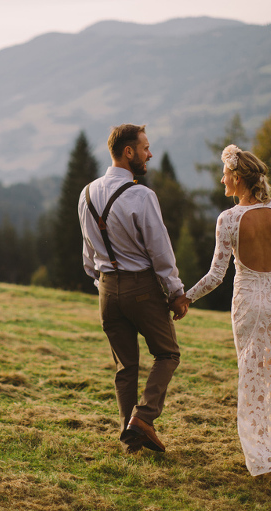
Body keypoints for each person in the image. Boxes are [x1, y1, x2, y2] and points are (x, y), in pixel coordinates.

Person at [172, 144, 271, 476]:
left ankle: (262, 455)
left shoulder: (228, 219)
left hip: (250, 306)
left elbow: (216, 275)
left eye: (225, 173)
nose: (221, 179)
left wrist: (186, 297)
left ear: (238, 177)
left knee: (253, 378)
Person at [78, 124, 187, 454]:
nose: (149, 154)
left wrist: (105, 284)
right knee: (167, 353)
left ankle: (131, 443)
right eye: (145, 148)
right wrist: (175, 291)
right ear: (129, 152)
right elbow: (160, 250)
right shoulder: (142, 195)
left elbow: (87, 256)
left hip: (106, 290)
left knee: (126, 366)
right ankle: (142, 418)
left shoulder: (86, 194)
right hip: (141, 287)